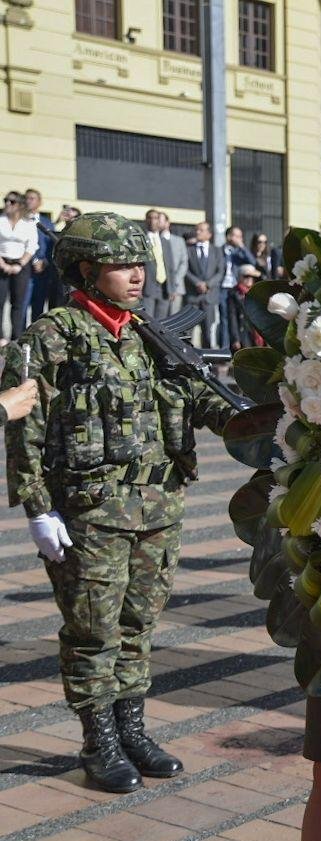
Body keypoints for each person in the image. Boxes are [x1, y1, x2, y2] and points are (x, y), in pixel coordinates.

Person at [1, 212, 240, 794]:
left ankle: (132, 729)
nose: (137, 275)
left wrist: (254, 418)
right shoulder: (51, 337)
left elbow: (194, 403)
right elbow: (24, 431)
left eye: (140, 264)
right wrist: (37, 508)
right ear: (87, 271)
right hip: (91, 512)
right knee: (92, 632)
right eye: (122, 265)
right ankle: (98, 741)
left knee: (138, 626)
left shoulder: (149, 335)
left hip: (158, 507)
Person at [0, 190, 39, 339]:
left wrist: (19, 264)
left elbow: (32, 246)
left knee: (18, 304)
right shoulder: (1, 219)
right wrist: (3, 264)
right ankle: (1, 338)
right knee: (0, 301)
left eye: (12, 201)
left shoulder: (28, 223)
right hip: (1, 262)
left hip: (21, 265)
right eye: (5, 200)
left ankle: (16, 338)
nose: (7, 204)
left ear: (20, 205)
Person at [185, 221, 225, 347]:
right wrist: (197, 283)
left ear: (209, 234)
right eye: (197, 230)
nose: (197, 232)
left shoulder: (216, 251)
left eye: (201, 230)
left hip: (209, 296)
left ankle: (208, 360)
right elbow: (185, 270)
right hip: (193, 296)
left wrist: (208, 284)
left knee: (208, 331)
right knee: (188, 331)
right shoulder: (189, 250)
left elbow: (220, 271)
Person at [141, 209, 183, 320]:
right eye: (150, 218)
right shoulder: (141, 240)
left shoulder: (164, 241)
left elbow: (170, 266)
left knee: (161, 323)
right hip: (147, 288)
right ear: (146, 220)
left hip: (164, 289)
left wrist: (172, 288)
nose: (153, 221)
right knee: (148, 321)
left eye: (156, 218)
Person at [219, 226, 256, 350]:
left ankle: (235, 346)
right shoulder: (219, 250)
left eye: (241, 236)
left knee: (234, 318)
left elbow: (252, 261)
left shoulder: (239, 252)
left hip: (235, 288)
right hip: (222, 288)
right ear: (229, 236)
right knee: (224, 319)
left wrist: (242, 246)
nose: (240, 238)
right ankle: (224, 348)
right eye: (237, 236)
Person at [23, 189, 55, 322]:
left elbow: (51, 246)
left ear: (39, 202)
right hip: (25, 270)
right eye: (27, 198)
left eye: (32, 198)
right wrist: (34, 260)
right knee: (21, 306)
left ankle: (34, 337)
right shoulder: (20, 221)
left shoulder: (48, 223)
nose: (28, 201)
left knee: (38, 307)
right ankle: (18, 336)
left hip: (43, 272)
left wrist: (45, 262)